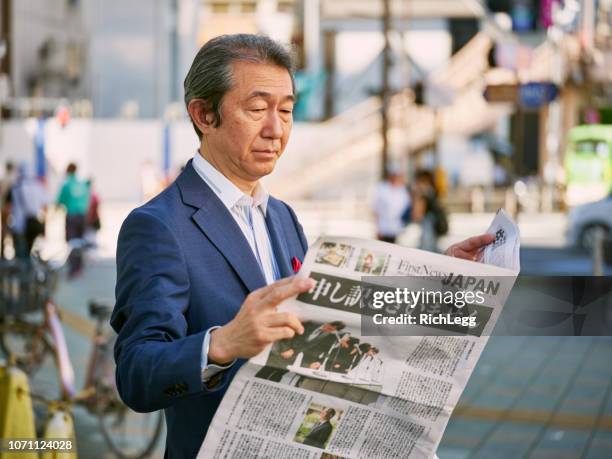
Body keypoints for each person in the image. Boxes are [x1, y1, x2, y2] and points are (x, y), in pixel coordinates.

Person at [111, 33, 495, 457]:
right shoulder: (158, 226)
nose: (276, 129)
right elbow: (135, 373)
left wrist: (431, 279)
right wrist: (221, 343)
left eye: (287, 110)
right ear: (203, 114)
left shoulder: (281, 217)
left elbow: (325, 319)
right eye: (257, 109)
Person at [6, 163, 47, 259]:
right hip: (33, 222)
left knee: (20, 252)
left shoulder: (16, 187)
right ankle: (28, 271)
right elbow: (45, 205)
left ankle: (22, 272)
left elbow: (8, 206)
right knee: (30, 250)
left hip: (19, 224)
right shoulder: (38, 187)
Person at [57, 163, 90, 277]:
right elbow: (87, 199)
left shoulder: (67, 184)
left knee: (72, 242)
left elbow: (60, 201)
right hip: (82, 215)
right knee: (80, 241)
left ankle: (73, 268)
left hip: (71, 215)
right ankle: (79, 266)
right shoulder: (82, 184)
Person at [373, 163, 411, 243]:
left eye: (397, 175)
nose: (395, 177)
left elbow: (407, 210)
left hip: (398, 230)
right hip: (384, 229)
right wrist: (377, 229)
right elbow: (376, 209)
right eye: (393, 175)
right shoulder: (381, 188)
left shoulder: (402, 191)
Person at [413, 169, 447, 253]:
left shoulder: (425, 191)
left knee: (427, 248)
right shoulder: (432, 191)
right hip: (434, 225)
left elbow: (418, 213)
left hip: (429, 223)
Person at [0, 161, 16, 259]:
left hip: (4, 208)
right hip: (9, 208)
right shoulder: (12, 179)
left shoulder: (3, 179)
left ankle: (2, 251)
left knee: (4, 230)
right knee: (9, 230)